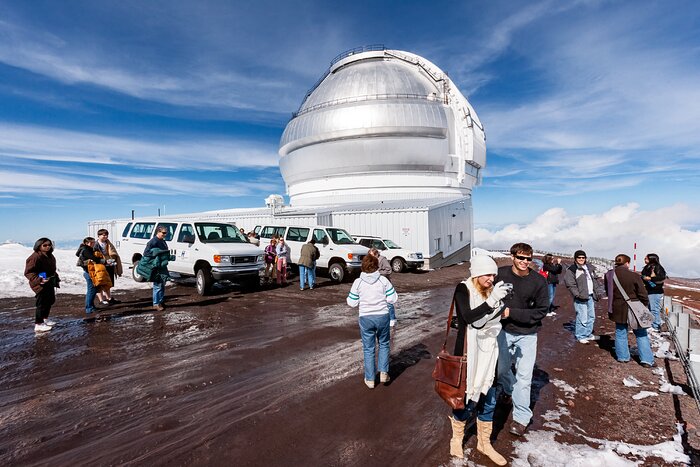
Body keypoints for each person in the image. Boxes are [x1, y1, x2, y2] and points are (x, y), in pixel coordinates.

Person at [447, 255, 509, 464]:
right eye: (487, 274)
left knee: (489, 398)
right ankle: (456, 438)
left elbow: (495, 318)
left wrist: (499, 304)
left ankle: (484, 443)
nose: (491, 278)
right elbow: (467, 317)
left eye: (494, 274)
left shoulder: (493, 291)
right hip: (468, 352)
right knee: (464, 399)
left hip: (490, 352)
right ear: (477, 273)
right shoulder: (462, 289)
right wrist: (492, 302)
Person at [496, 242, 549, 437]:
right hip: (502, 332)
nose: (524, 262)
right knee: (500, 370)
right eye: (520, 258)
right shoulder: (499, 275)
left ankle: (521, 418)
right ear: (512, 257)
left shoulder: (538, 282)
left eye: (528, 258)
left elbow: (542, 310)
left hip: (527, 334)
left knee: (525, 378)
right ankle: (509, 389)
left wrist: (511, 312)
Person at [346, 254, 398, 389]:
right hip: (382, 316)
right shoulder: (383, 281)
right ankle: (383, 373)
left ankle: (370, 379)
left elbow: (351, 302)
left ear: (363, 266)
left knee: (368, 348)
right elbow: (393, 298)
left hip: (365, 318)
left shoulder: (358, 282)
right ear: (376, 266)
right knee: (384, 344)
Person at [604, 254, 654, 367]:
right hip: (634, 307)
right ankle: (646, 360)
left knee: (620, 332)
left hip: (617, 307)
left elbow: (608, 291)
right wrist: (643, 306)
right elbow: (643, 294)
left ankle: (623, 357)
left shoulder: (609, 275)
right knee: (641, 333)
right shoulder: (634, 275)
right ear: (627, 263)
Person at [563, 250, 605, 344]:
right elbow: (570, 284)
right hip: (580, 297)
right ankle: (580, 335)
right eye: (579, 257)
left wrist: (597, 292)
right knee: (582, 317)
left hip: (590, 295)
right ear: (575, 259)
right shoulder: (572, 269)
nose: (581, 259)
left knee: (591, 316)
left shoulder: (589, 268)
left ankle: (588, 334)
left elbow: (594, 281)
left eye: (583, 257)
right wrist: (577, 294)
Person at [24, 238, 60, 332]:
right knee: (41, 304)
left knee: (50, 301)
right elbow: (28, 272)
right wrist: (39, 280)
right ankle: (38, 324)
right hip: (40, 284)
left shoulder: (49, 255)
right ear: (39, 246)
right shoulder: (35, 257)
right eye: (45, 245)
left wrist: (54, 276)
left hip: (49, 282)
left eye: (49, 245)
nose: (48, 247)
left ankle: (45, 319)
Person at [141, 226, 171, 311]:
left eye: (166, 233)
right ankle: (156, 303)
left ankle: (160, 301)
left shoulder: (162, 241)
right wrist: (157, 254)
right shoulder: (153, 241)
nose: (165, 234)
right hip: (156, 266)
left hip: (162, 266)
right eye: (163, 233)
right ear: (158, 232)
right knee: (157, 285)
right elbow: (146, 253)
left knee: (162, 283)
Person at [76, 237, 107, 316]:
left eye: (93, 242)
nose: (93, 244)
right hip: (89, 272)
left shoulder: (84, 249)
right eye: (91, 243)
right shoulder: (86, 250)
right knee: (91, 290)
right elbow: (94, 259)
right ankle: (89, 308)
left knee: (92, 290)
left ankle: (91, 306)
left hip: (89, 272)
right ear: (86, 243)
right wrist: (104, 261)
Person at [369, 247, 398, 326]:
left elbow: (389, 270)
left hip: (384, 283)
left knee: (388, 301)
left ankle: (392, 319)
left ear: (376, 254)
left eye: (372, 255)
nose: (371, 257)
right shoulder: (371, 261)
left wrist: (379, 272)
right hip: (375, 284)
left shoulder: (382, 259)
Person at [93, 229, 123, 305]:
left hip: (109, 265)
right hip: (99, 266)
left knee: (108, 283)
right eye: (103, 235)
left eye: (106, 235)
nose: (105, 236)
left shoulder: (108, 243)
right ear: (99, 236)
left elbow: (113, 252)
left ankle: (109, 298)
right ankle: (101, 300)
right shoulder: (95, 245)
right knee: (99, 283)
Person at [641, 253, 667, 332]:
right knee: (650, 308)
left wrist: (650, 279)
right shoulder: (647, 267)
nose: (644, 260)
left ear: (651, 259)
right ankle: (652, 324)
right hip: (650, 290)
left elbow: (661, 278)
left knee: (654, 309)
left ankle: (656, 325)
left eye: (646, 258)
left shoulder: (658, 267)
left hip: (655, 291)